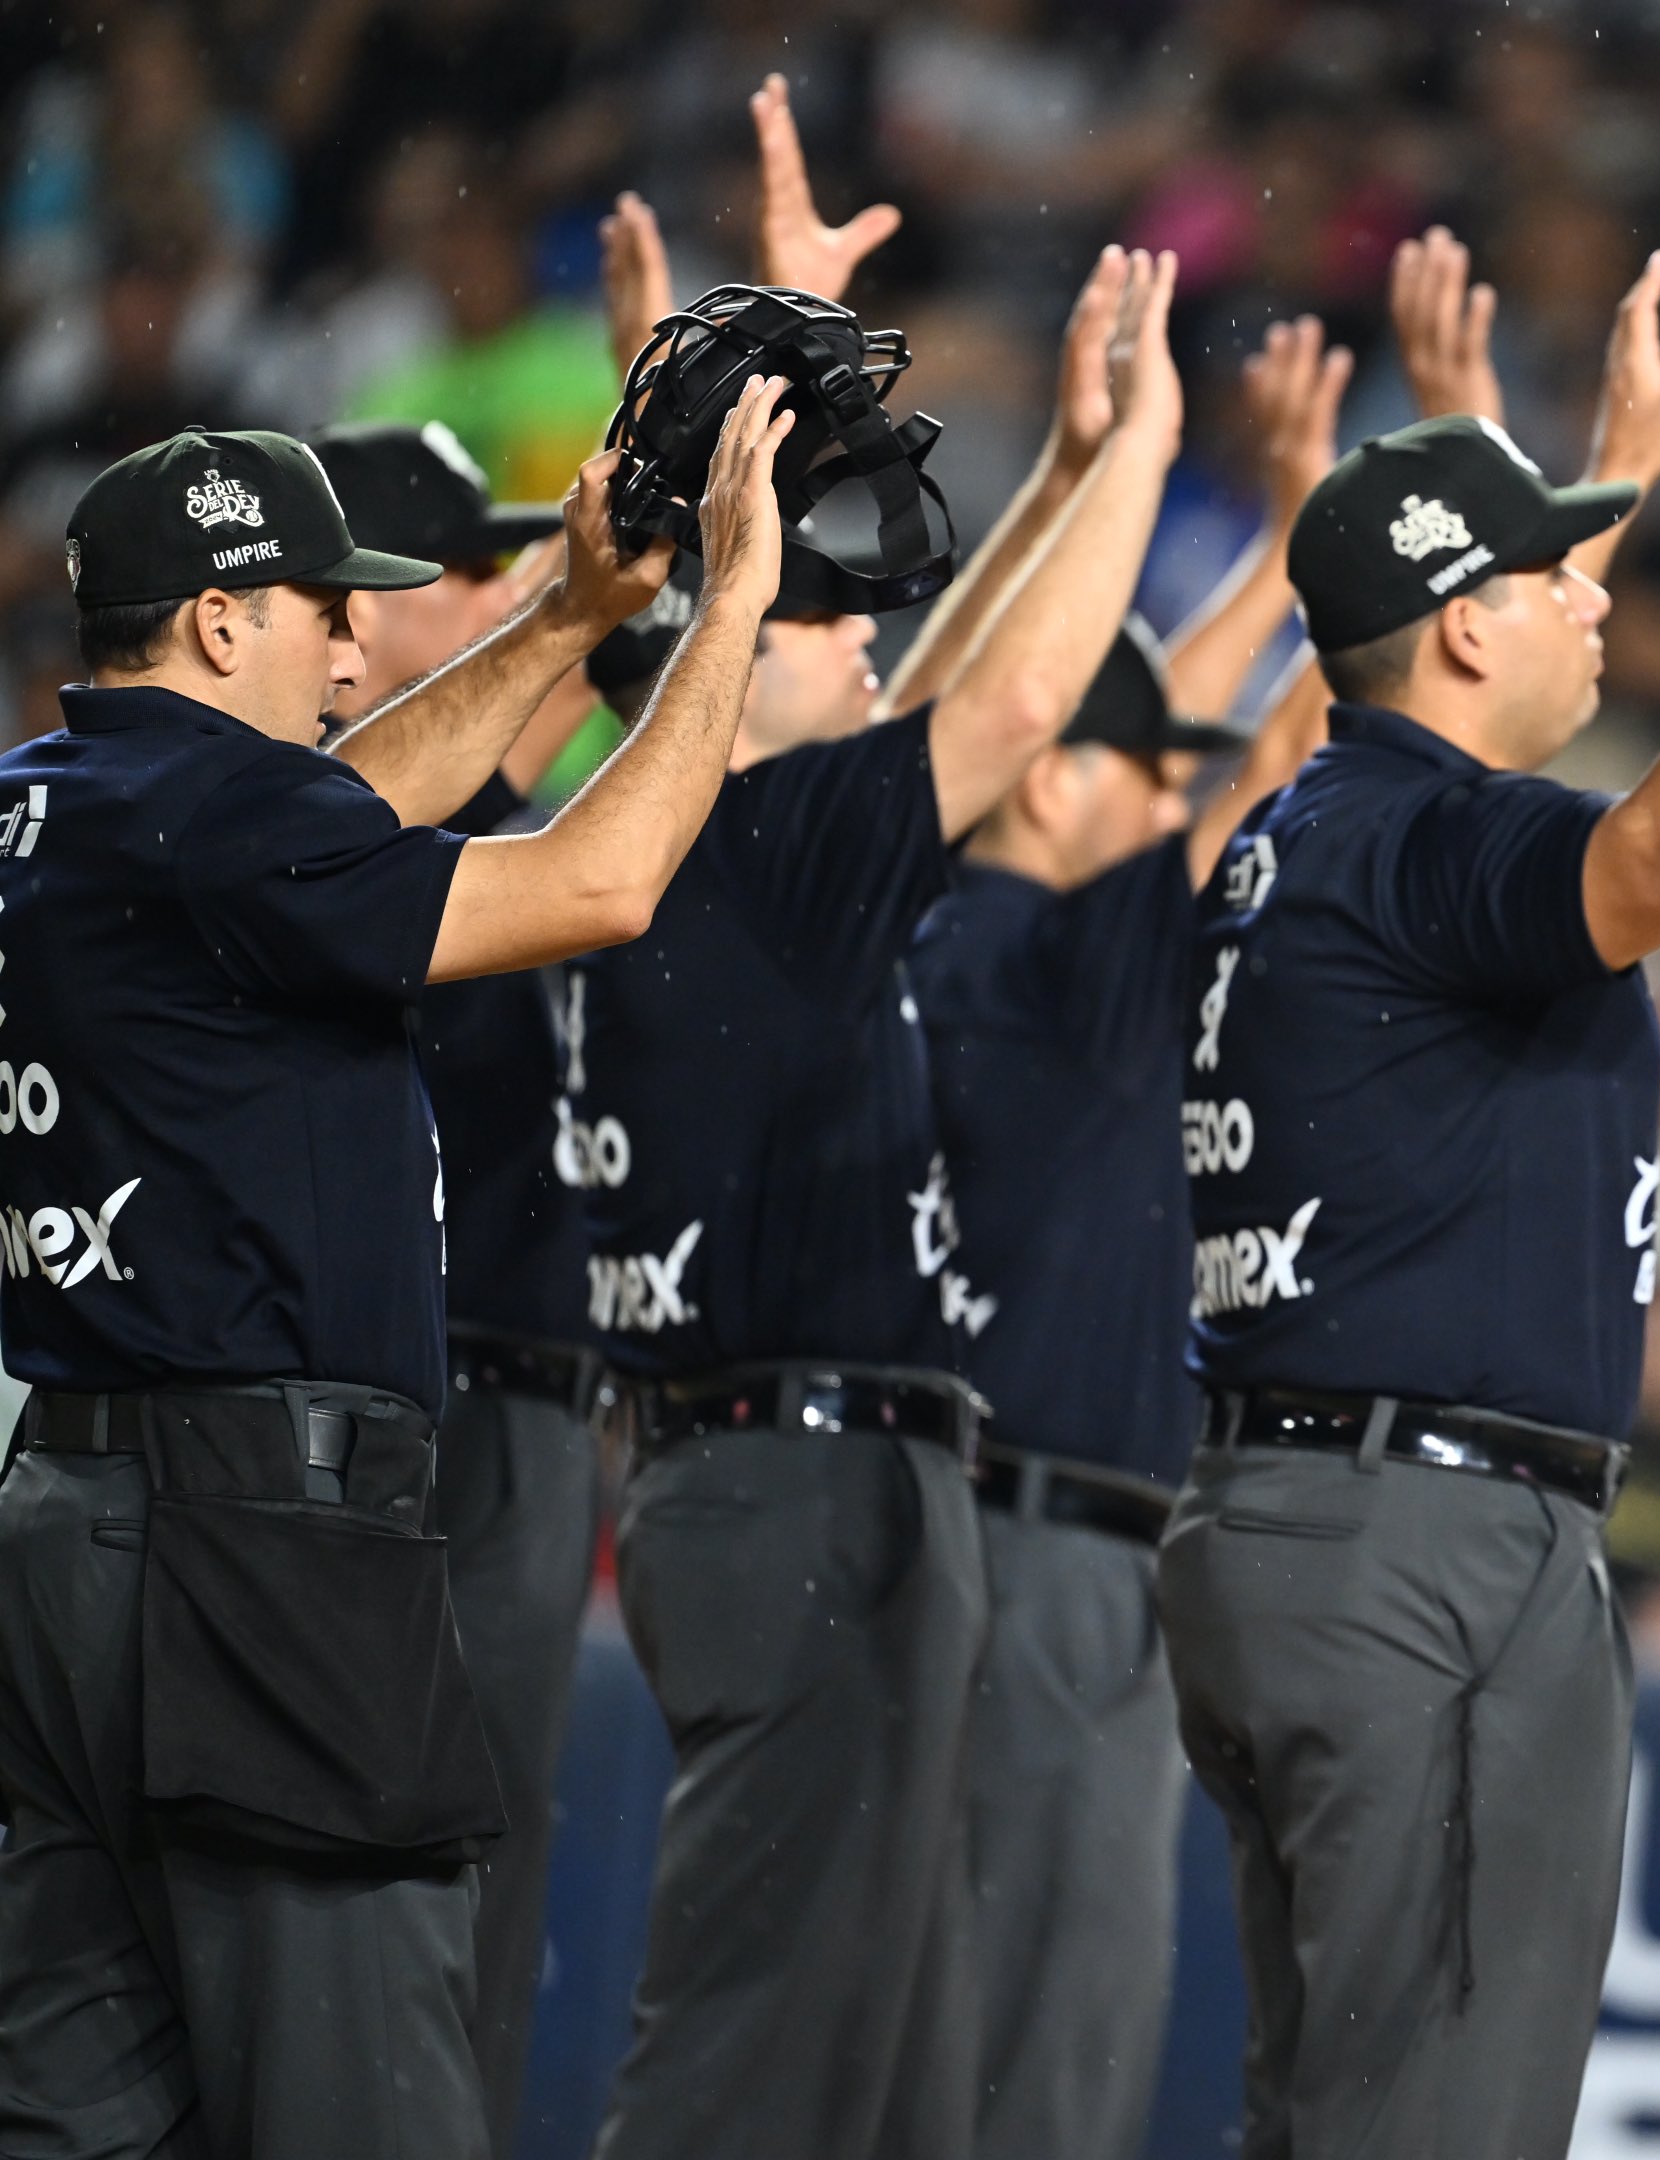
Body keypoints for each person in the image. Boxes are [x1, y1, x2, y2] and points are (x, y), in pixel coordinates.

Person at [1162, 263, 1660, 2156]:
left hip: (1298, 1518)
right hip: (1426, 1547)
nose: (1598, 596)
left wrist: (1583, 471)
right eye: (1552, 577)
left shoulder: (1305, 833)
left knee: (1333, 2114)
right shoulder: (1437, 842)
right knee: (1433, 2124)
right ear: (1453, 632)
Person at [0, 386, 787, 2159]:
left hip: (67, 1524)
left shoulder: (55, 809)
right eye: (325, 604)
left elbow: (326, 818)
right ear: (221, 619)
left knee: (80, 2114)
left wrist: (568, 623)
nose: (357, 637)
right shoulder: (216, 827)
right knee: (367, 2106)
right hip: (257, 1555)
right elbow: (596, 882)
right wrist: (723, 614)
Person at [579, 245, 1184, 2160]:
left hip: (784, 1472)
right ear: (725, 659)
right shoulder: (756, 842)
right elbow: (996, 709)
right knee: (761, 2067)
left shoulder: (716, 840)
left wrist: (1076, 466)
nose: (866, 648)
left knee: (888, 2069)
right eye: (823, 623)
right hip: (799, 1488)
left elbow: (936, 687)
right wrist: (1141, 453)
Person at [906, 307, 1344, 2160]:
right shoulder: (1056, 951)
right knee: (1046, 2058)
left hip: (955, 1532)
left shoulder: (927, 919)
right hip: (1048, 1556)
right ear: (1054, 781)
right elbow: (1289, 775)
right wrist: (1333, 562)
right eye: (1143, 775)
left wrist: (1275, 552)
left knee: (938, 2029)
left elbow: (1144, 720)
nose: (1176, 797)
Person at [308, 415, 600, 2157]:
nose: (501, 594)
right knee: (390, 1879)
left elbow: (590, 644)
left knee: (478, 1878)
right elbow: (587, 675)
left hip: (509, 1397)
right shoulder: (299, 837)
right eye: (462, 570)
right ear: (350, 613)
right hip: (405, 1409)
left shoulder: (430, 798)